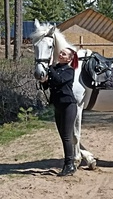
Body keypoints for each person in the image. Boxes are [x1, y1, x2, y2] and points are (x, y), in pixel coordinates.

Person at [41, 47, 79, 176]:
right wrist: (44, 81)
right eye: (61, 53)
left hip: (69, 105)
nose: (61, 55)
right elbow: (49, 85)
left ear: (69, 58)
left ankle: (69, 165)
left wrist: (50, 67)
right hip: (58, 105)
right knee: (63, 136)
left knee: (67, 136)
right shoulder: (56, 69)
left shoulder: (69, 70)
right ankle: (69, 164)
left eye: (64, 54)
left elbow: (60, 81)